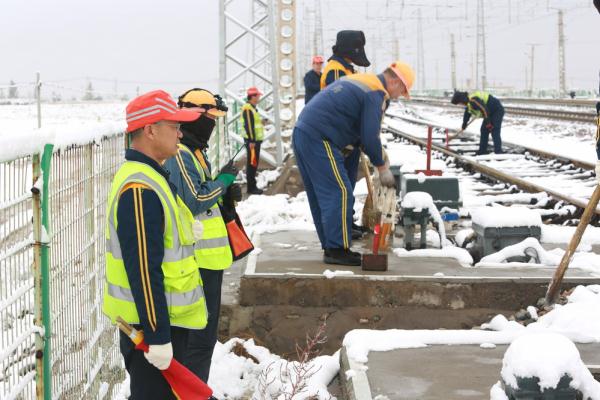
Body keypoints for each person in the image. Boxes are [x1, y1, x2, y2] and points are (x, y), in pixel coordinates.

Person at [102, 90, 208, 399]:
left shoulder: (151, 175)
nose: (180, 133)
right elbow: (144, 269)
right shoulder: (139, 187)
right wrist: (158, 335)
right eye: (173, 126)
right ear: (150, 130)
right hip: (151, 329)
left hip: (163, 322)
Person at [293, 61, 414, 266]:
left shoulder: (362, 81)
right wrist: (382, 167)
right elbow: (369, 136)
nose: (399, 96)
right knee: (340, 191)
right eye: (402, 91)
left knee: (321, 195)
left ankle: (331, 246)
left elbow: (358, 130)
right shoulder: (376, 92)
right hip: (320, 138)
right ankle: (337, 249)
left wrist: (377, 153)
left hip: (303, 132)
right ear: (394, 81)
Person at [162, 88, 238, 382]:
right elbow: (194, 199)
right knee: (197, 339)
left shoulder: (195, 151)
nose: (212, 125)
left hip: (210, 259)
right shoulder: (181, 154)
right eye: (209, 118)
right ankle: (191, 392)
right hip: (196, 259)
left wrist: (223, 192)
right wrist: (221, 182)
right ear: (193, 116)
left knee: (204, 339)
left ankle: (196, 390)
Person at [320, 30, 371, 239]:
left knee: (347, 184)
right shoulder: (336, 71)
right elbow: (340, 107)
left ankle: (347, 222)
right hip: (340, 141)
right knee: (341, 187)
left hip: (350, 139)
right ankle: (341, 228)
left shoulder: (346, 69)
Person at [451, 90, 505, 155]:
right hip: (488, 112)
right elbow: (467, 114)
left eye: (459, 103)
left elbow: (484, 109)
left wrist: (488, 123)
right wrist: (464, 124)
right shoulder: (468, 103)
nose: (460, 104)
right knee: (484, 130)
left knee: (494, 130)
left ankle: (498, 151)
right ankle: (482, 151)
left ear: (461, 100)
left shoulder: (473, 100)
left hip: (496, 110)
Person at [240, 87, 264, 195]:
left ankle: (252, 186)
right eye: (258, 96)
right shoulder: (248, 108)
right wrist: (252, 141)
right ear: (253, 97)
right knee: (252, 163)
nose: (259, 98)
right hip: (252, 142)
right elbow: (249, 126)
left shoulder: (251, 108)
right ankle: (251, 187)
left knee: (253, 163)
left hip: (254, 141)